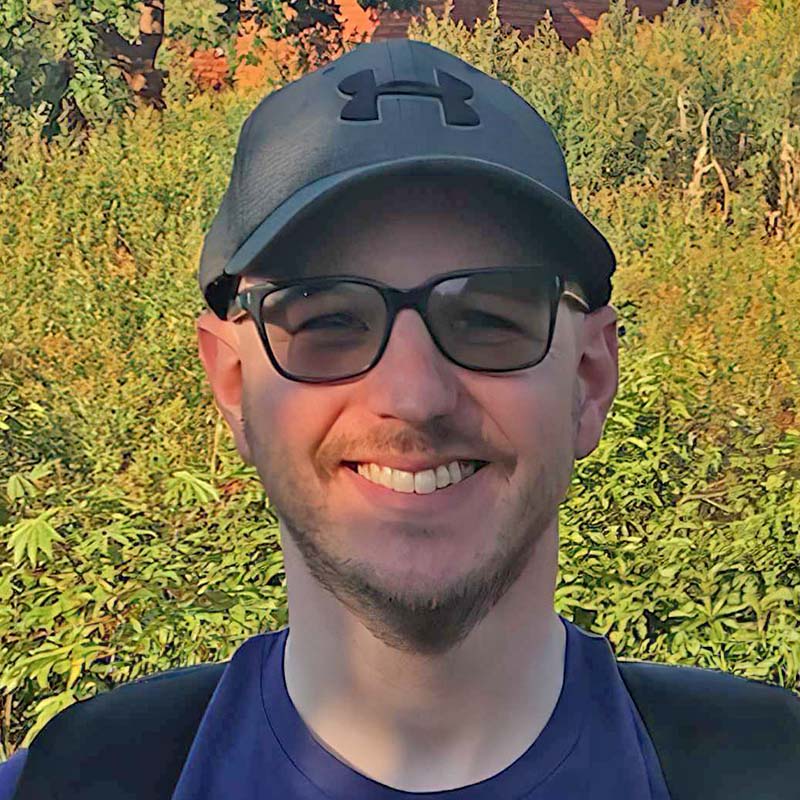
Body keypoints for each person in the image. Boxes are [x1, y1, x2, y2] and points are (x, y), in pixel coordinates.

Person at [4, 38, 799, 800]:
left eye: (489, 317)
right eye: (326, 320)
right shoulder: (67, 786)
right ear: (234, 385)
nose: (415, 397)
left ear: (589, 380)